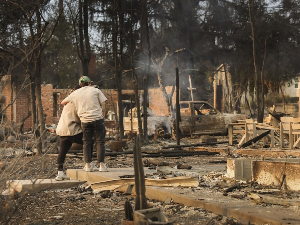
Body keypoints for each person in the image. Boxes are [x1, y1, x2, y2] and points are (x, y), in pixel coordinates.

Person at [61, 76, 108, 172]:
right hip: (98, 119)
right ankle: (101, 165)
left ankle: (88, 165)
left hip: (85, 121)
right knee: (100, 142)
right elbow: (104, 104)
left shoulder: (75, 93)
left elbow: (63, 102)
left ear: (80, 85)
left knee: (87, 142)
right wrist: (102, 115)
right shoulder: (95, 90)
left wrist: (71, 98)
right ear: (89, 83)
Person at [55, 86, 97, 181]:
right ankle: (88, 164)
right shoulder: (77, 103)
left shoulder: (68, 102)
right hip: (72, 129)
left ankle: (60, 173)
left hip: (63, 130)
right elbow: (81, 118)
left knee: (62, 151)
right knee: (88, 142)